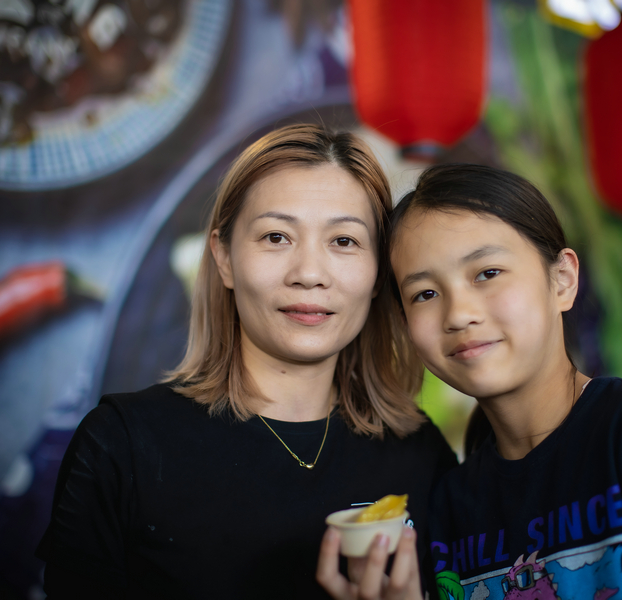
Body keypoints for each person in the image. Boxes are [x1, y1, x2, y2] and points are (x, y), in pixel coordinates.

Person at [35, 124, 457, 598]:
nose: (309, 274)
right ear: (224, 258)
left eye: (344, 241)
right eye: (276, 237)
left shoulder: (422, 453)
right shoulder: (122, 446)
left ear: (379, 271)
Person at [318, 163, 622, 600]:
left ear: (562, 280)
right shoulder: (448, 504)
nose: (458, 314)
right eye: (425, 294)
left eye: (487, 273)